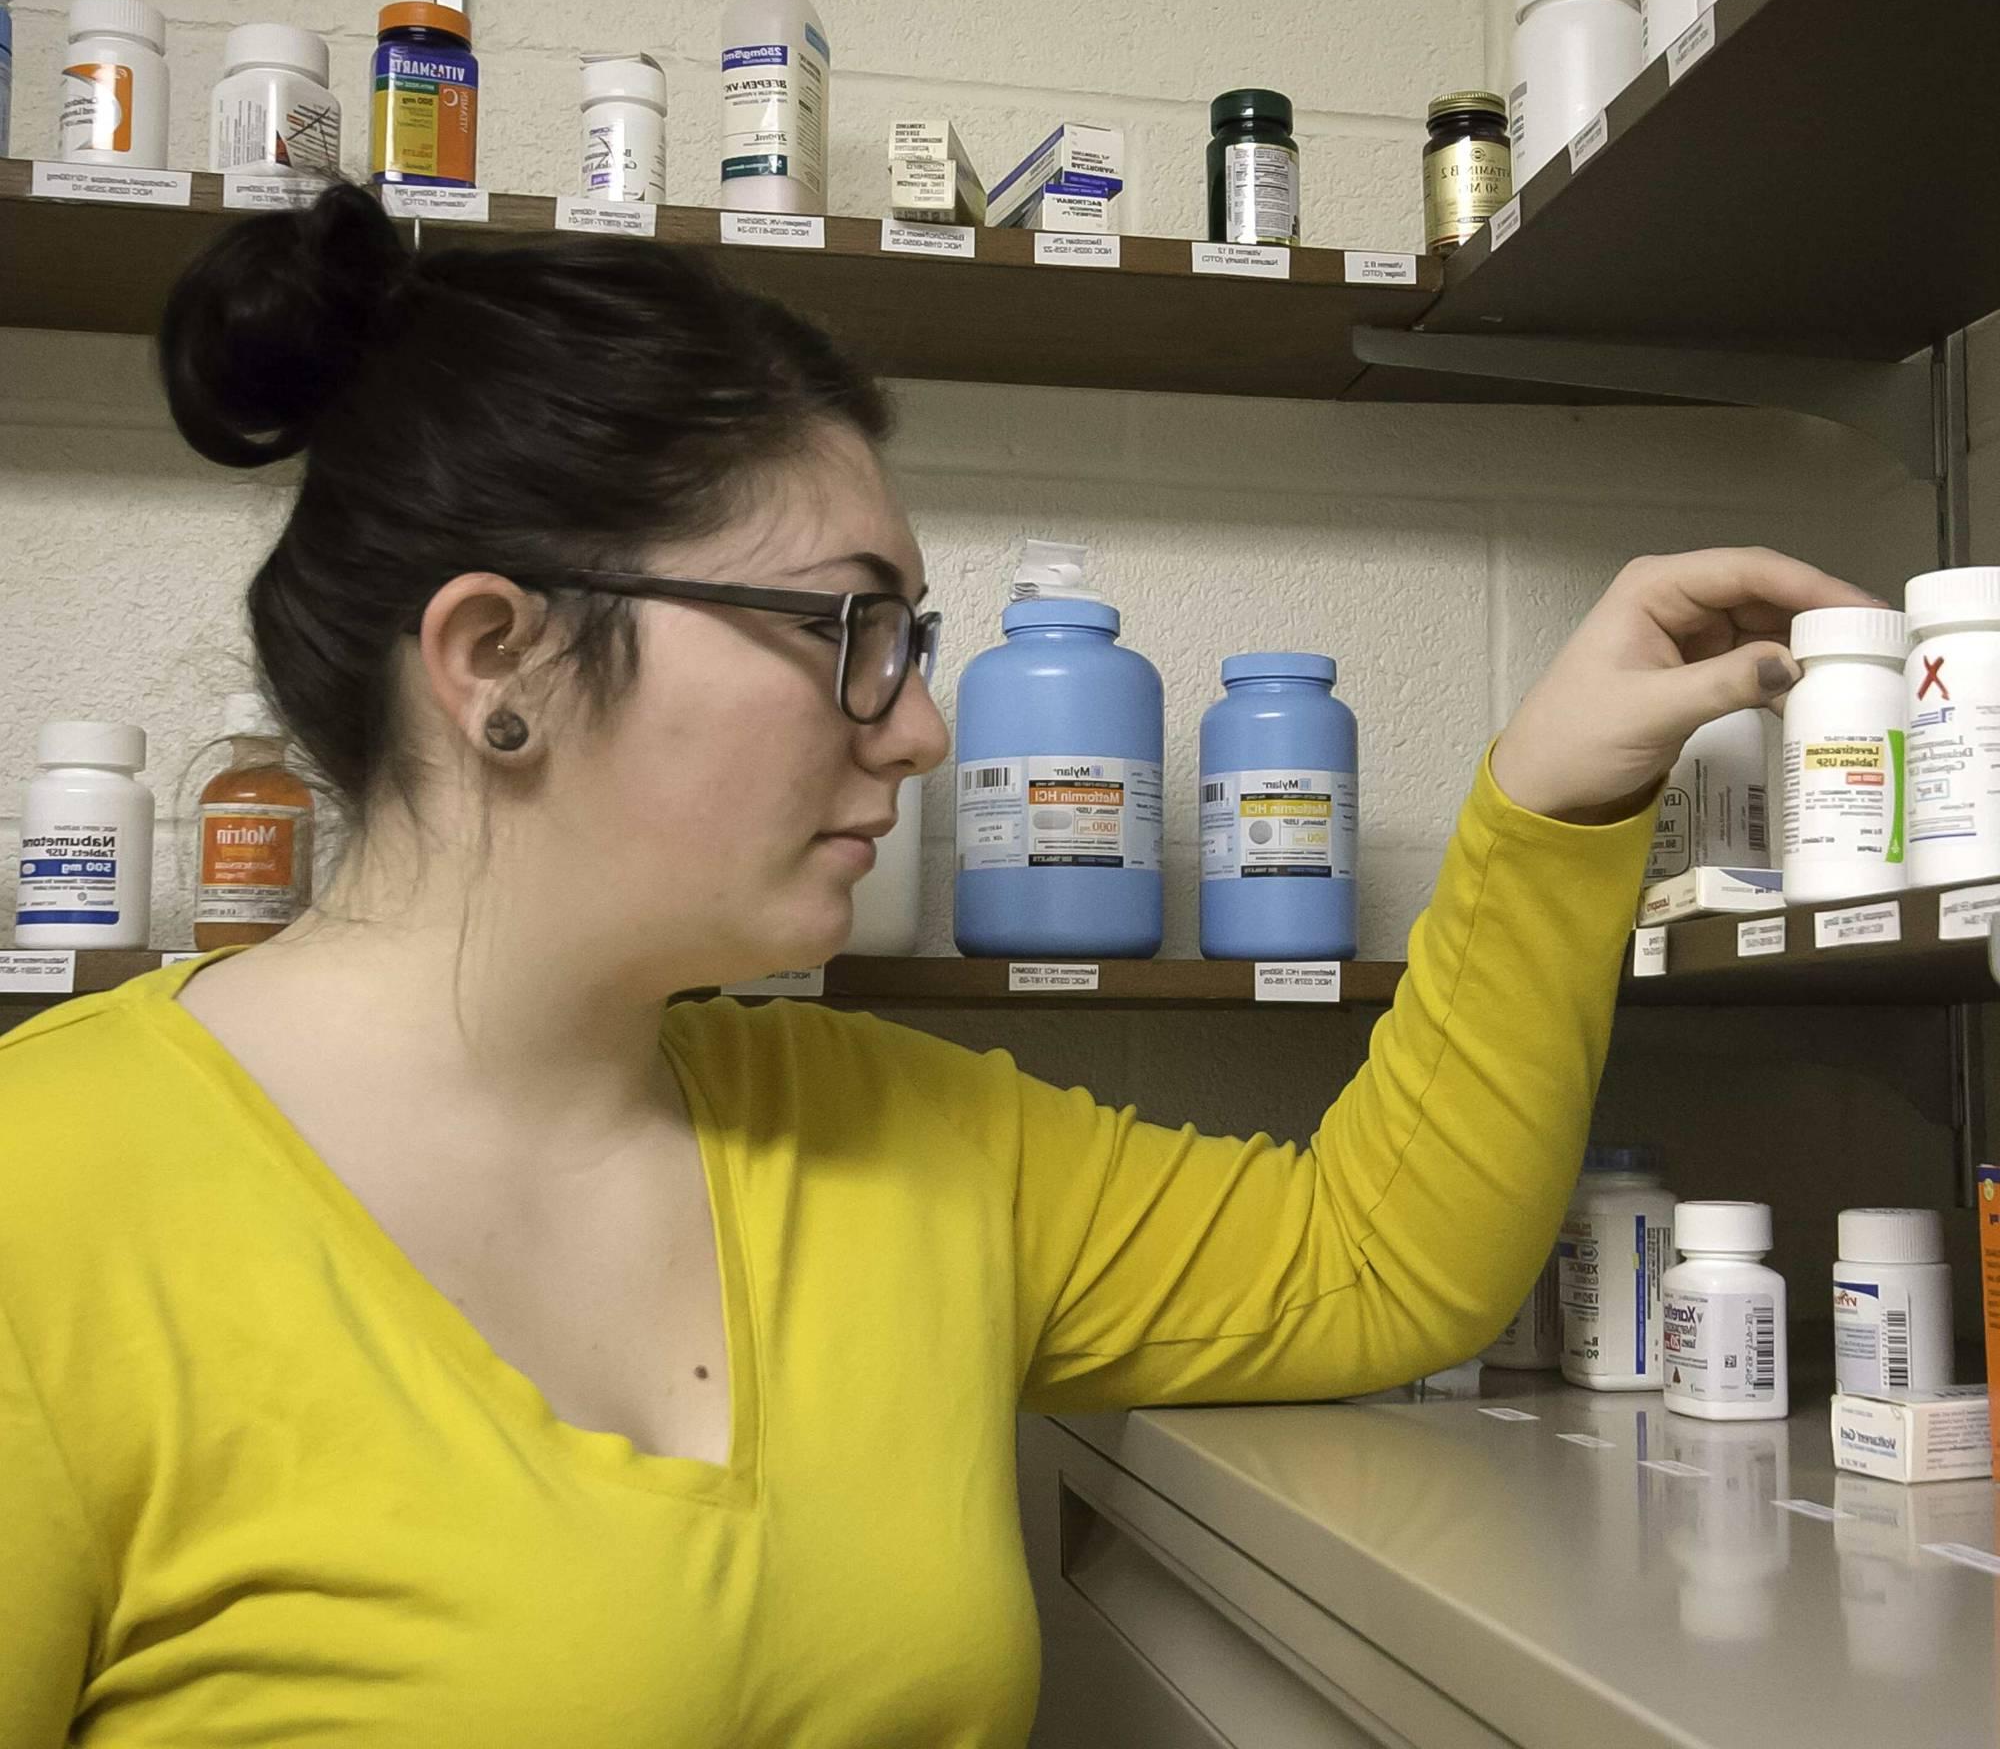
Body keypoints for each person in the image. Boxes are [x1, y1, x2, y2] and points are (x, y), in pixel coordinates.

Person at [0, 185, 1872, 1747]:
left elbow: (1375, 1266)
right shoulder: (48, 1202)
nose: (917, 728)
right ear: (497, 660)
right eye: (852, 633)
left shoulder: (893, 1141)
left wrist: (1550, 795)